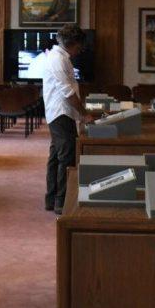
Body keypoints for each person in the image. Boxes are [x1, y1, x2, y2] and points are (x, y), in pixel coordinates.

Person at [42, 23, 93, 213]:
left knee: (56, 156)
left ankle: (51, 198)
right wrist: (84, 114)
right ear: (73, 43)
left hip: (62, 113)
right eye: (80, 46)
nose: (80, 50)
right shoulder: (58, 59)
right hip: (60, 112)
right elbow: (68, 92)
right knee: (66, 157)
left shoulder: (61, 57)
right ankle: (61, 202)